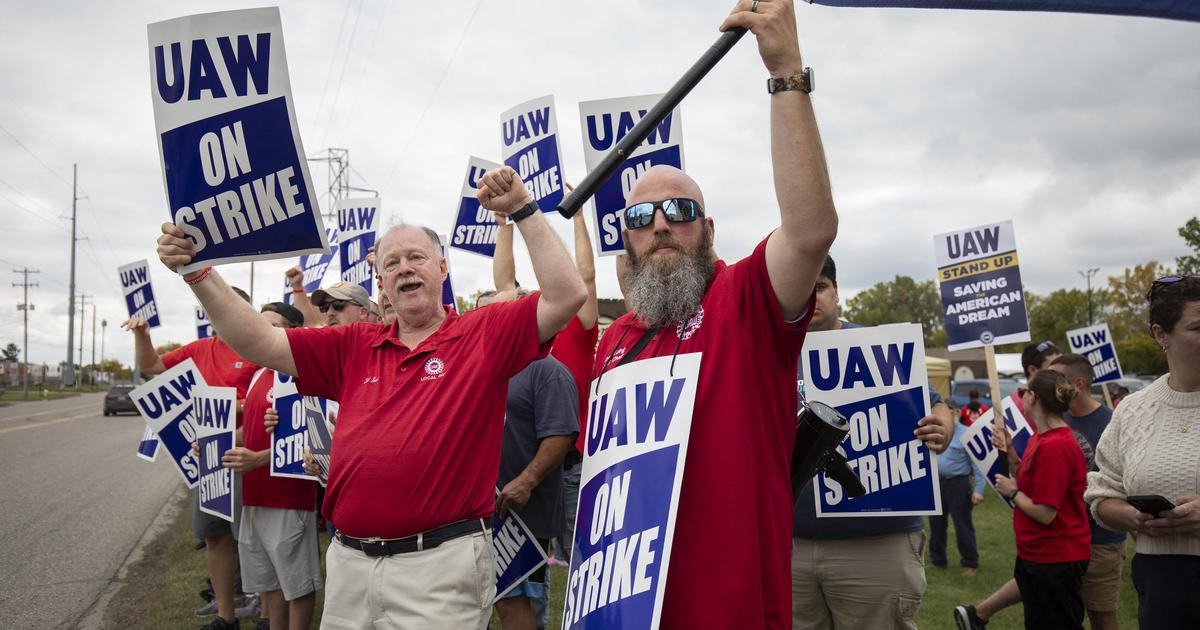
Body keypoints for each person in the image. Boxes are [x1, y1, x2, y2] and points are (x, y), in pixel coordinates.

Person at [155, 164, 585, 628]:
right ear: (381, 282)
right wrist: (199, 273)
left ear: (442, 268)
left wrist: (522, 209)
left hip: (440, 570)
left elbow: (566, 296)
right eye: (391, 264)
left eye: (416, 258)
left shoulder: (482, 333)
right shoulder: (354, 344)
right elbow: (260, 341)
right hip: (349, 565)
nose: (405, 269)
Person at [584, 3, 839, 625]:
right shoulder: (616, 338)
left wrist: (785, 71)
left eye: (681, 211)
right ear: (627, 240)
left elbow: (809, 232)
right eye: (642, 218)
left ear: (708, 228)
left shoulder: (745, 301)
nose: (662, 223)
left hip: (731, 605)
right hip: (631, 605)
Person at [791, 254, 955, 630]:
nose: (811, 298)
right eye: (800, 288)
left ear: (836, 291)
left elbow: (934, 404)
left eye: (819, 287)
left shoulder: (879, 346)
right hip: (790, 544)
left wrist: (942, 426)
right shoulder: (768, 352)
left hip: (877, 543)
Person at [122, 291, 261, 630]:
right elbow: (150, 367)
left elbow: (268, 399)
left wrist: (235, 406)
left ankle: (266, 615)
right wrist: (143, 334)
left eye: (220, 308)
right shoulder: (199, 350)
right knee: (215, 536)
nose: (215, 315)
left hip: (244, 458)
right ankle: (225, 617)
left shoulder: (258, 348)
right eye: (211, 310)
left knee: (251, 539)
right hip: (209, 461)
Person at [1086, 275, 1200, 629]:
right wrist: (1134, 518)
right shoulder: (1132, 410)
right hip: (1160, 583)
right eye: (1198, 327)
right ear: (1161, 335)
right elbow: (1101, 495)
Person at [492, 205, 599, 568]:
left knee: (580, 557)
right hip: (522, 464)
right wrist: (503, 225)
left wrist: (581, 218)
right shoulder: (517, 345)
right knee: (527, 565)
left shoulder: (577, 331)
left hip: (570, 465)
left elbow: (584, 278)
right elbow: (505, 287)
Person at [217, 302, 320, 630]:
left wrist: (259, 458)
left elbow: (315, 437)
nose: (263, 332)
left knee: (297, 584)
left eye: (272, 325)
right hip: (255, 496)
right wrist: (216, 443)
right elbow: (252, 429)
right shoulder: (261, 373)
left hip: (289, 497)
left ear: (293, 331)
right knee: (272, 582)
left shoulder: (304, 372)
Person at [953, 339, 1062, 629]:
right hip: (1037, 535)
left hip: (1061, 540)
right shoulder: (1037, 430)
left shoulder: (1057, 438)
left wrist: (1014, 490)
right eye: (1054, 365)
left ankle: (978, 614)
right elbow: (1027, 477)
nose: (1061, 373)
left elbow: (1046, 506)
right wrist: (1011, 456)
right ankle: (978, 614)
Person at [992, 370, 1092, 630]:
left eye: (1024, 391)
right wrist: (1011, 452)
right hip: (1037, 554)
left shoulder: (1056, 446)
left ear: (1033, 397)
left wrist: (1013, 492)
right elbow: (1031, 483)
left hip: (1056, 558)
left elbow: (1046, 512)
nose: (1020, 396)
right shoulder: (1041, 437)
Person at [489, 349, 578, 630]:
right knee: (485, 598)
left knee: (515, 600)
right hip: (482, 509)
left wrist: (526, 481)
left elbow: (561, 434)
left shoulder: (549, 371)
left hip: (523, 516)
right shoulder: (492, 364)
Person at [1047, 353, 1126, 630]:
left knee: (1101, 616)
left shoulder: (1111, 423)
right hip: (1064, 537)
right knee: (1065, 614)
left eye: (1058, 380)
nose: (1052, 386)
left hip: (1101, 539)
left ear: (1078, 384)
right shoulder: (1059, 419)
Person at [929, 413, 986, 576]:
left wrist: (979, 489)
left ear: (957, 413)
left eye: (949, 412)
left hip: (958, 483)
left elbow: (977, 464)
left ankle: (969, 562)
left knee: (962, 524)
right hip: (937, 482)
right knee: (936, 523)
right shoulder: (936, 432)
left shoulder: (966, 433)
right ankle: (938, 560)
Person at [309, 281, 374, 328]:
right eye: (325, 307)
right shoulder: (324, 345)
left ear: (363, 312)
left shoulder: (379, 345)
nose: (329, 313)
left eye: (338, 304)